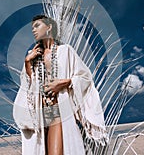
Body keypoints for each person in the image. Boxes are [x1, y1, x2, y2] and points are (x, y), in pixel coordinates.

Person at [13, 15, 108, 155]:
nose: (33, 30)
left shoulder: (65, 50)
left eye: (37, 25)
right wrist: (27, 62)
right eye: (32, 27)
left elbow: (84, 76)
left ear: (49, 27)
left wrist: (64, 83)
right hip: (39, 116)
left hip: (58, 110)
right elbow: (27, 86)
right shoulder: (33, 55)